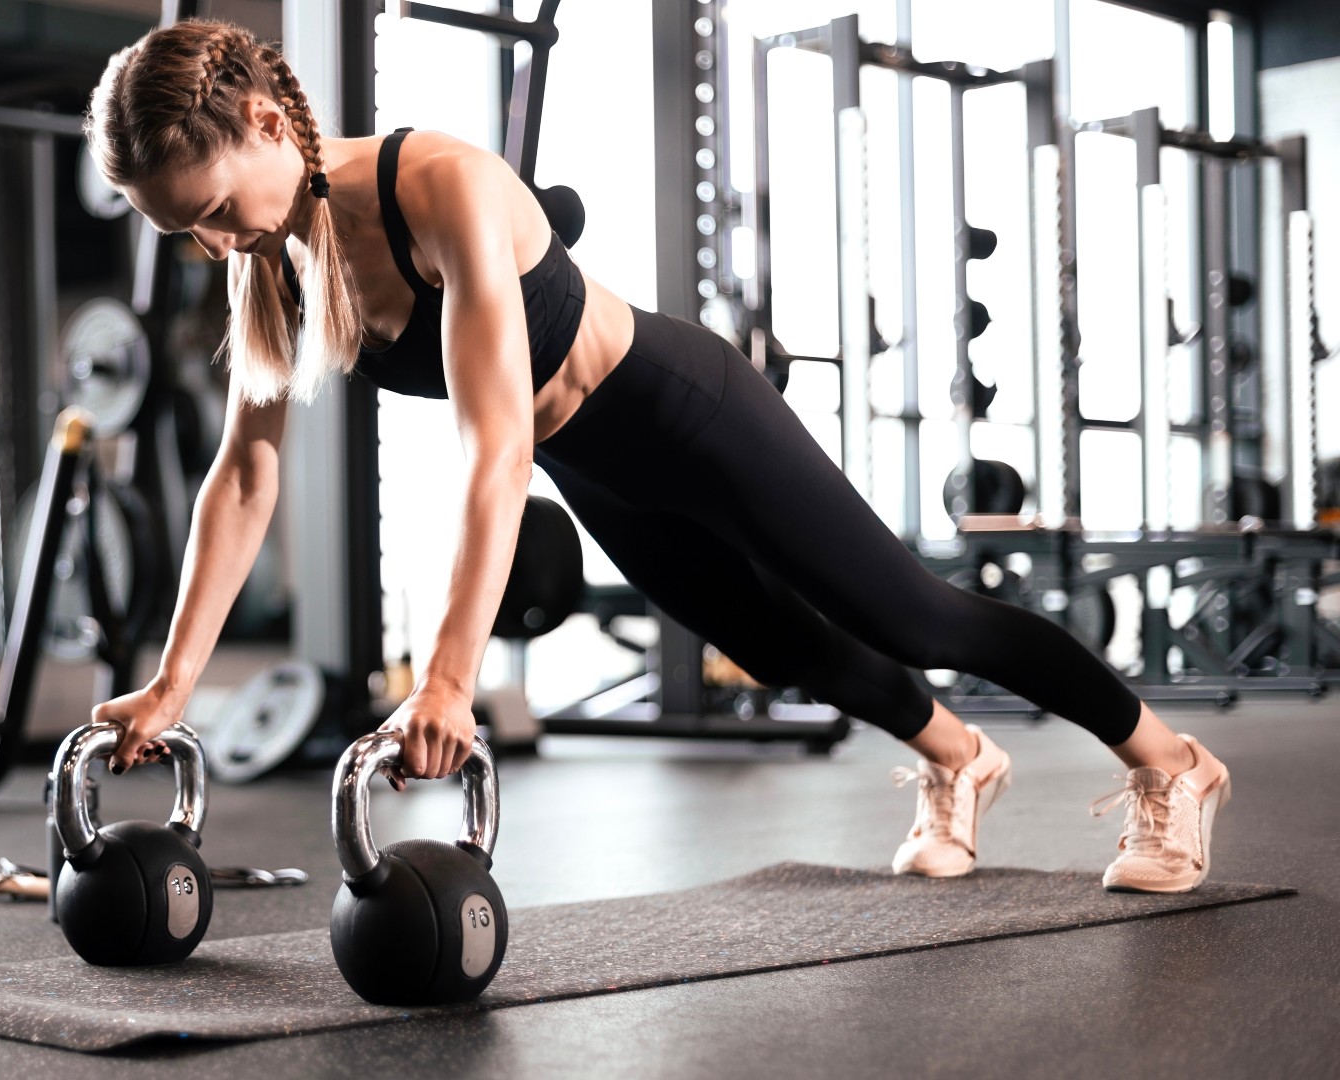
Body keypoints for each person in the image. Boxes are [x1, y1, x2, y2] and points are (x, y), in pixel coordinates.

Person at [80, 19, 1232, 893]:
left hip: (685, 407)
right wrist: (175, 681)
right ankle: (958, 757)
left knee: (920, 619)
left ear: (270, 128)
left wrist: (445, 678)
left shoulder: (440, 187)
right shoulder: (268, 258)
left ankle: (1170, 762)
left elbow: (494, 450)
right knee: (782, 650)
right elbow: (245, 469)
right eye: (186, 231)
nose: (216, 244)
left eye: (218, 210)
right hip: (602, 467)